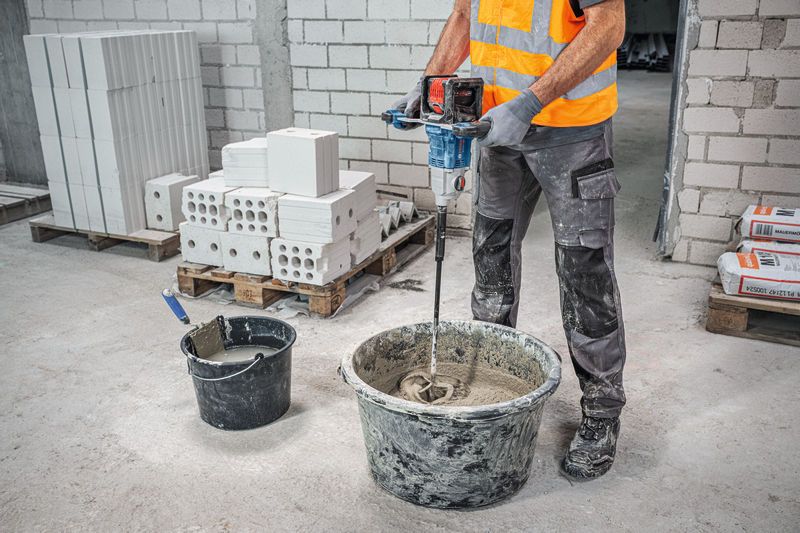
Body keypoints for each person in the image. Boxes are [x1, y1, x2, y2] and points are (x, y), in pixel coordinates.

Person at [392, 0, 627, 480]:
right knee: (491, 254)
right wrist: (429, 84)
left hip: (572, 131)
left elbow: (608, 27)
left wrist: (531, 101)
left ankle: (602, 411)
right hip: (499, 128)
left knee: (583, 270)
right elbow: (464, 16)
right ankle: (493, 384)